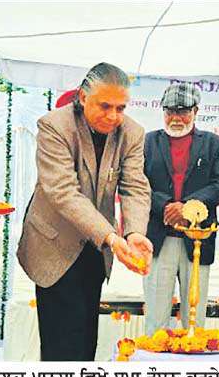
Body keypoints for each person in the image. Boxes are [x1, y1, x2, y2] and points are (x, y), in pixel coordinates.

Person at [17, 62, 152, 361]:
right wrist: (112, 237)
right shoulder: (54, 126)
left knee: (85, 341)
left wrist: (134, 233)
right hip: (53, 244)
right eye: (105, 106)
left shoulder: (132, 133)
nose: (113, 116)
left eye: (120, 108)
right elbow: (62, 191)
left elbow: (135, 186)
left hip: (95, 249)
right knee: (60, 349)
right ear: (82, 97)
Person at [141, 83, 219, 335]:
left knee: (194, 320)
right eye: (170, 111)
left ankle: (192, 357)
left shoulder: (215, 144)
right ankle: (154, 360)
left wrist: (187, 207)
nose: (176, 117)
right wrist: (165, 205)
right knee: (156, 319)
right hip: (159, 238)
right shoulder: (147, 142)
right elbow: (136, 183)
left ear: (195, 111)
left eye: (183, 111)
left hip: (198, 239)